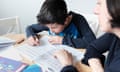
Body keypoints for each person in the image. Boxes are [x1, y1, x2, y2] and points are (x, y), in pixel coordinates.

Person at [54, 0, 120, 72]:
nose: (95, 11)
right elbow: (92, 48)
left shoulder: (78, 19)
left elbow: (90, 42)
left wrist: (67, 65)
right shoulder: (114, 35)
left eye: (100, 4)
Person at [26, 0, 96, 48]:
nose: (51, 30)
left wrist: (62, 40)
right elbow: (29, 28)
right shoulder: (51, 22)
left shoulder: (79, 20)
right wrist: (30, 36)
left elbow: (91, 41)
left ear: (65, 21)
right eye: (48, 27)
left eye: (54, 27)